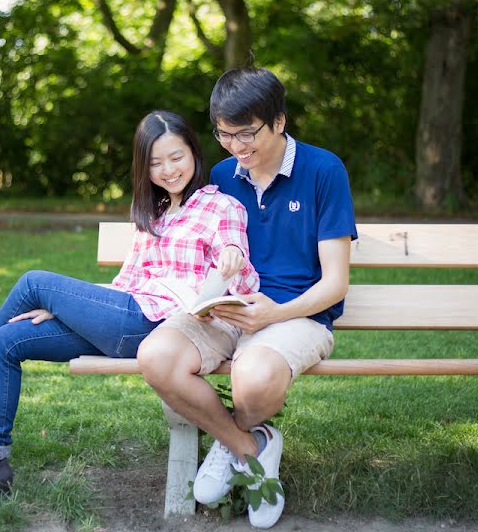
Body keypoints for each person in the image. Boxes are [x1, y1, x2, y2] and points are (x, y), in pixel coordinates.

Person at [0, 110, 259, 500]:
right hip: (123, 316)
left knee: (33, 282)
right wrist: (64, 307)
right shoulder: (154, 213)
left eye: (176, 157)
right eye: (155, 163)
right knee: (7, 341)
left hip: (157, 326)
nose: (168, 170)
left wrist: (229, 254)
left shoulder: (219, 205)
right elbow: (125, 283)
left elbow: (234, 251)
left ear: (194, 152)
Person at [137, 68, 357, 529]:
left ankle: (231, 440)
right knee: (156, 356)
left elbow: (335, 284)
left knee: (252, 376)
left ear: (279, 121)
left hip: (296, 312)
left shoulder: (323, 170)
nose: (237, 146)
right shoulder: (219, 174)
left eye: (247, 133)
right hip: (224, 310)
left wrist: (276, 312)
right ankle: (249, 447)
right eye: (224, 134)